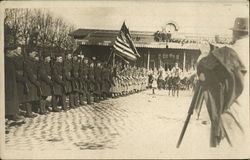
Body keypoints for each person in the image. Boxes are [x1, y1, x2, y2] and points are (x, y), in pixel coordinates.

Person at [197, 17, 249, 147]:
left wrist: (204, 54)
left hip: (232, 111)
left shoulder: (228, 52)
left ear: (235, 33)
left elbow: (203, 68)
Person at [5, 45, 25, 122]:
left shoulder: (10, 60)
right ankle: (11, 115)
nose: (14, 53)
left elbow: (14, 72)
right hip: (7, 84)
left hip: (12, 82)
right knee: (9, 99)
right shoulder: (6, 61)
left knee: (12, 98)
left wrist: (22, 79)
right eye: (13, 51)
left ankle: (13, 114)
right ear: (8, 52)